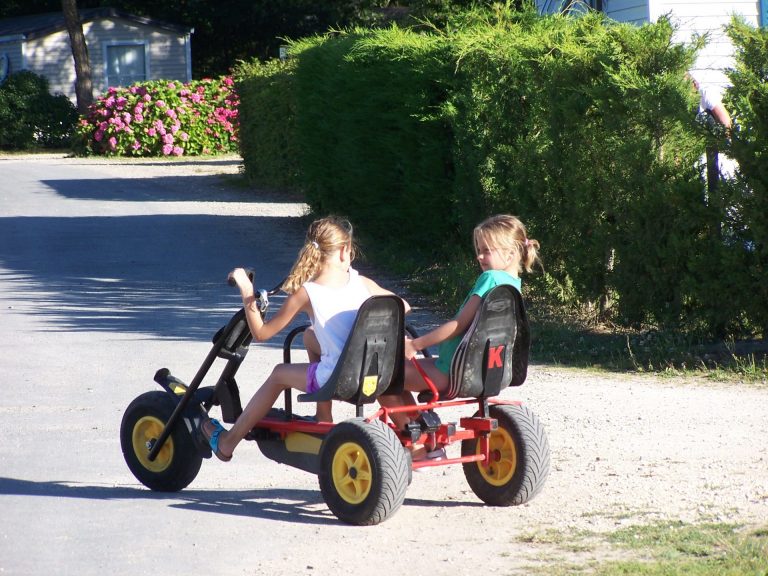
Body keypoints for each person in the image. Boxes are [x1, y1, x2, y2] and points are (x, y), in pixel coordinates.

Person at [199, 216, 408, 461]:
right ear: (344, 252)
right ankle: (323, 415)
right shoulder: (361, 283)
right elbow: (402, 306)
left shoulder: (306, 293)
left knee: (279, 374)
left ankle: (227, 442)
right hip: (372, 370)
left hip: (339, 377)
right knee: (310, 336)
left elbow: (261, 333)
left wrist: (247, 292)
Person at [380, 214, 540, 452]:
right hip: (481, 373)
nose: (480, 256)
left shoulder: (491, 278)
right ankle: (419, 428)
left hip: (450, 372)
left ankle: (420, 446)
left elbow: (459, 324)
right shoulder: (512, 286)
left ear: (510, 253)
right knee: (398, 378)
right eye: (479, 249)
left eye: (487, 250)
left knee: (382, 377)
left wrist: (415, 344)